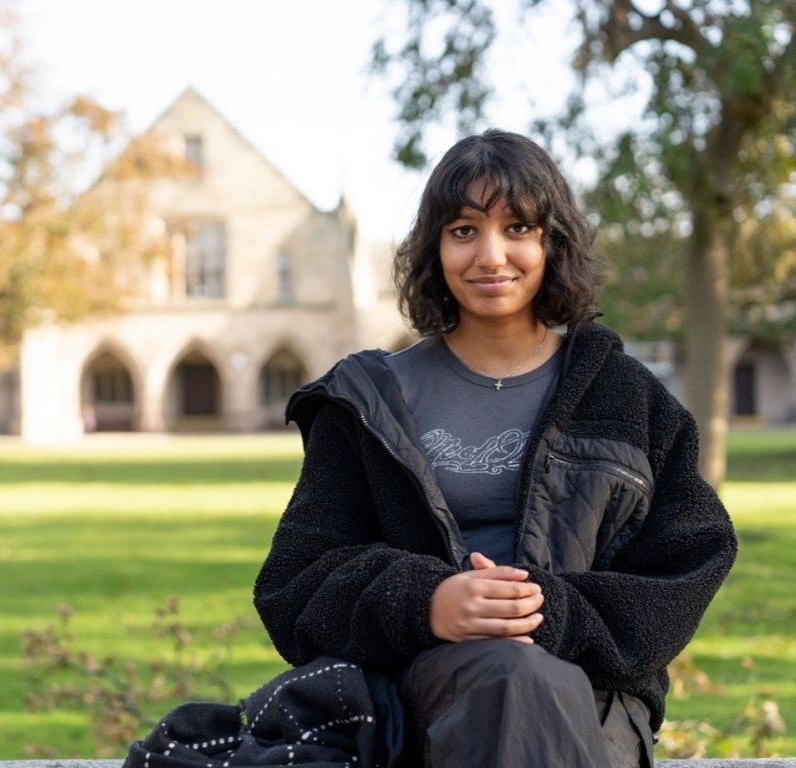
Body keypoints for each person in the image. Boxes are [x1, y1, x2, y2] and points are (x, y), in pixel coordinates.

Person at [253, 130, 738, 768]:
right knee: (504, 676)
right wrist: (426, 604)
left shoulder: (624, 398)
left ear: (551, 243)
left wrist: (553, 614)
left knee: (521, 677)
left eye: (518, 229)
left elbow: (691, 559)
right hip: (418, 698)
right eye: (463, 230)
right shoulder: (368, 401)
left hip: (592, 701)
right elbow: (295, 585)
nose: (490, 255)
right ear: (434, 246)